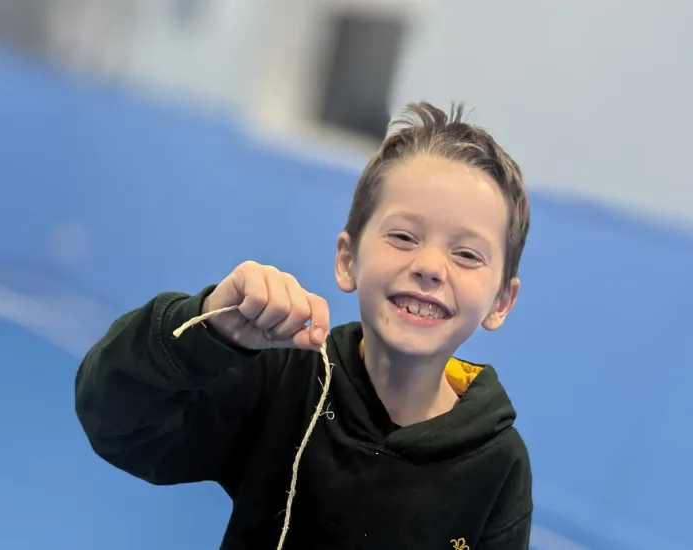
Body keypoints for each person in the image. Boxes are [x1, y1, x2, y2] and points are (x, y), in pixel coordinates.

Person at [75, 101, 533, 549]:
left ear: (501, 301)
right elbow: (118, 423)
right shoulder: (283, 380)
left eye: (468, 255)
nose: (431, 266)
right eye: (403, 236)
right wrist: (208, 331)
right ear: (347, 259)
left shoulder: (498, 464)